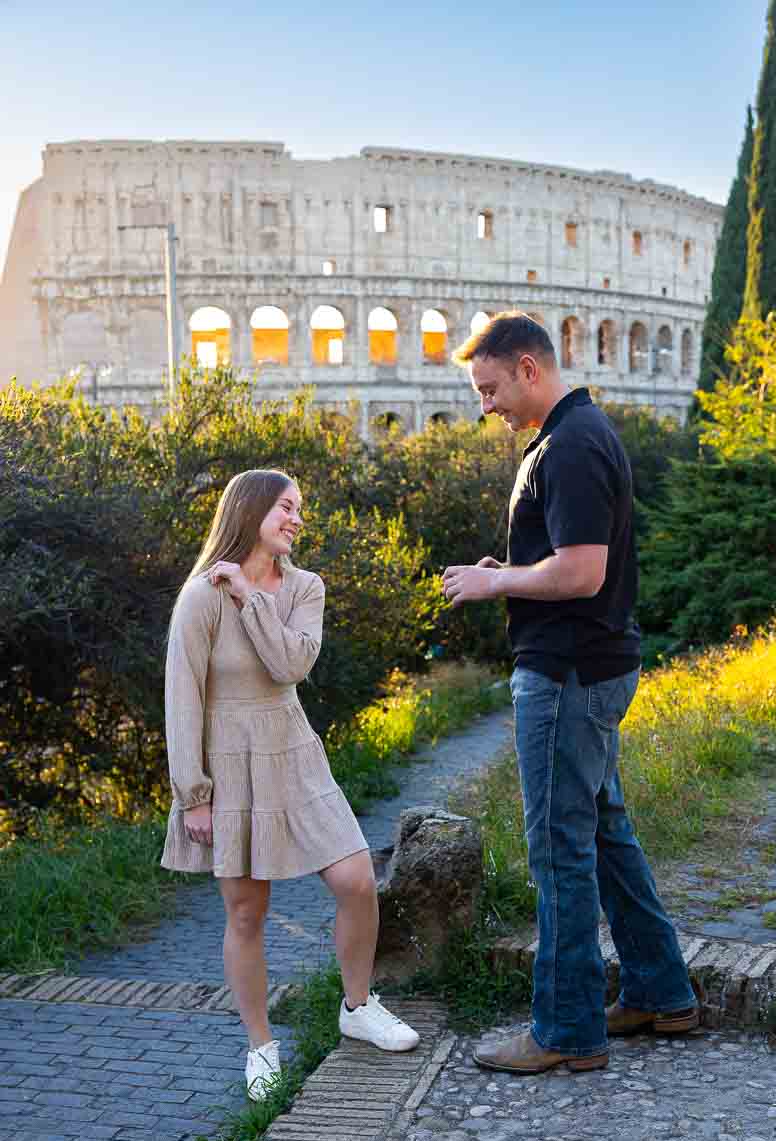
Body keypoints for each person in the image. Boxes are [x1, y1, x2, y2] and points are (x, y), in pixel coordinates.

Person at [443, 312, 697, 1076]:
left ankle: (565, 1030)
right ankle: (661, 992)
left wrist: (496, 582)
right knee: (606, 834)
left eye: (488, 388)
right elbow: (561, 560)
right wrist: (516, 566)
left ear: (527, 367)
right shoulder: (570, 436)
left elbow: (582, 573)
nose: (484, 405)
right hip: (587, 663)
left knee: (559, 848)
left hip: (567, 673)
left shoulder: (572, 443)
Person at [160, 468, 419, 1100]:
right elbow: (182, 697)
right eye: (285, 507)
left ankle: (357, 1008)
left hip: (295, 753)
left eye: (300, 508)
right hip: (229, 766)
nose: (297, 518)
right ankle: (261, 1047)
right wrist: (194, 793)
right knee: (247, 911)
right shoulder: (199, 596)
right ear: (250, 512)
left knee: (357, 879)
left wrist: (250, 598)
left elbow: (290, 666)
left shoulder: (305, 587)